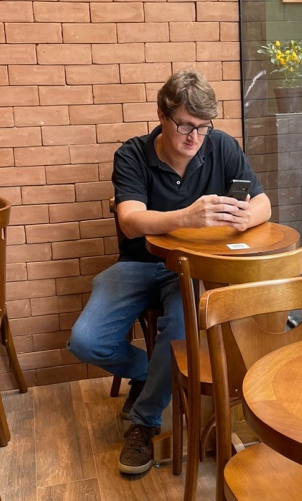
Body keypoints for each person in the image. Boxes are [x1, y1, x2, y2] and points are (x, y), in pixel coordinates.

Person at [68, 69, 271, 476]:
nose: (194, 137)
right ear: (162, 115)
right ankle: (151, 372)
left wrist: (241, 217)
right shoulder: (132, 154)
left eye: (202, 127)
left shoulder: (223, 147)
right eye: (184, 126)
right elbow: (130, 220)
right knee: (85, 342)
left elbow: (264, 203)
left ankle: (144, 422)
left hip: (192, 269)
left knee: (181, 327)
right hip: (138, 265)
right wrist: (188, 217)